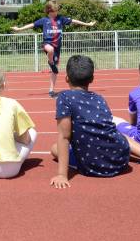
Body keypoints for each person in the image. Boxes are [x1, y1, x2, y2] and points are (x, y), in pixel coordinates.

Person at [50, 55, 129, 189]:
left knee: (54, 148)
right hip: (121, 159)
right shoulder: (100, 98)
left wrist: (62, 175)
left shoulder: (64, 97)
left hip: (92, 163)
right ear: (92, 79)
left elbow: (64, 136)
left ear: (66, 78)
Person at [11, 0, 96, 98]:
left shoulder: (61, 19)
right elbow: (32, 24)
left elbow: (74, 21)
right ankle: (50, 62)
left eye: (57, 11)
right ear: (49, 11)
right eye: (55, 11)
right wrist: (19, 29)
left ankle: (51, 90)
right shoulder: (44, 20)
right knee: (50, 50)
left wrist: (88, 24)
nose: (56, 13)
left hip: (57, 47)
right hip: (47, 44)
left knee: (55, 71)